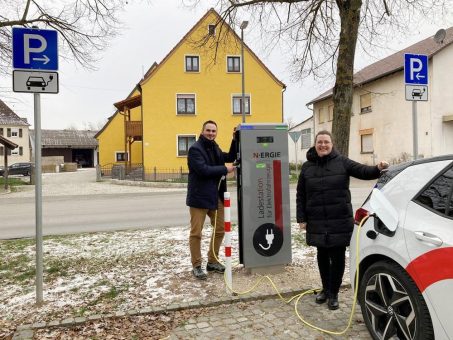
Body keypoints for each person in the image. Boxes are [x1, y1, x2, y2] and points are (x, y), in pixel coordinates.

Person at [296, 130, 388, 310]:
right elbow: (301, 194)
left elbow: (363, 171)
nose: (323, 145)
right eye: (320, 142)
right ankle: (325, 288)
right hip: (317, 219)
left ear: (332, 145)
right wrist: (302, 218)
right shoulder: (307, 167)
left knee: (337, 257)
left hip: (338, 218)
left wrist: (377, 168)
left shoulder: (342, 162)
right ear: (315, 144)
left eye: (326, 142)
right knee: (322, 255)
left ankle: (334, 293)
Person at [186, 120, 236, 280]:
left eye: (214, 131)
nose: (211, 133)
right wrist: (224, 169)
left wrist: (235, 139)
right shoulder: (195, 149)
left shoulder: (214, 147)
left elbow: (229, 156)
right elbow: (203, 170)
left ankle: (212, 261)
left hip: (215, 196)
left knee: (221, 228)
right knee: (196, 233)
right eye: (208, 130)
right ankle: (196, 265)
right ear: (202, 131)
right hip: (199, 197)